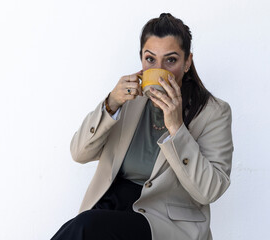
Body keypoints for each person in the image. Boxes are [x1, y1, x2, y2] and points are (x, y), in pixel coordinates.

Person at [51, 13, 233, 240]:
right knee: (81, 226)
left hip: (163, 219)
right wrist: (110, 105)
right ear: (141, 60)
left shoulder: (214, 112)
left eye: (171, 60)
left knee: (86, 227)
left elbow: (209, 191)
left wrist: (177, 128)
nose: (160, 69)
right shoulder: (128, 99)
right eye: (150, 59)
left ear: (187, 62)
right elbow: (78, 153)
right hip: (112, 205)